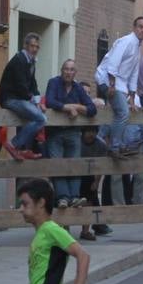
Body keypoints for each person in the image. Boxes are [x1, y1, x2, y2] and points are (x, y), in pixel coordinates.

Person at [44, 59, 97, 209]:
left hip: (73, 132)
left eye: (72, 70)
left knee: (74, 165)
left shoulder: (78, 88)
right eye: (66, 69)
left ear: (75, 73)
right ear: (62, 71)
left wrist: (76, 107)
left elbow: (92, 109)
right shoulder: (53, 83)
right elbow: (49, 102)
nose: (69, 72)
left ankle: (74, 197)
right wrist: (67, 108)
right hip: (55, 133)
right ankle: (63, 198)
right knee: (58, 165)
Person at [94, 17, 143, 158]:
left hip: (121, 84)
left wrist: (132, 100)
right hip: (107, 79)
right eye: (140, 27)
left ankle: (110, 144)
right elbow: (113, 62)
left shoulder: (137, 47)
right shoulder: (127, 41)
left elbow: (133, 74)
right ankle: (114, 147)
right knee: (123, 113)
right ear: (134, 27)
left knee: (122, 112)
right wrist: (111, 85)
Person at [0, 33, 46, 159]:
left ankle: (23, 149)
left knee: (34, 118)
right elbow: (21, 86)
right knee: (41, 119)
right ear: (25, 46)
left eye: (37, 47)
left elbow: (32, 83)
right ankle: (14, 144)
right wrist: (33, 101)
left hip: (18, 98)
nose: (34, 49)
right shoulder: (19, 60)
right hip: (10, 99)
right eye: (32, 46)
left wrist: (38, 99)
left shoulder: (30, 61)